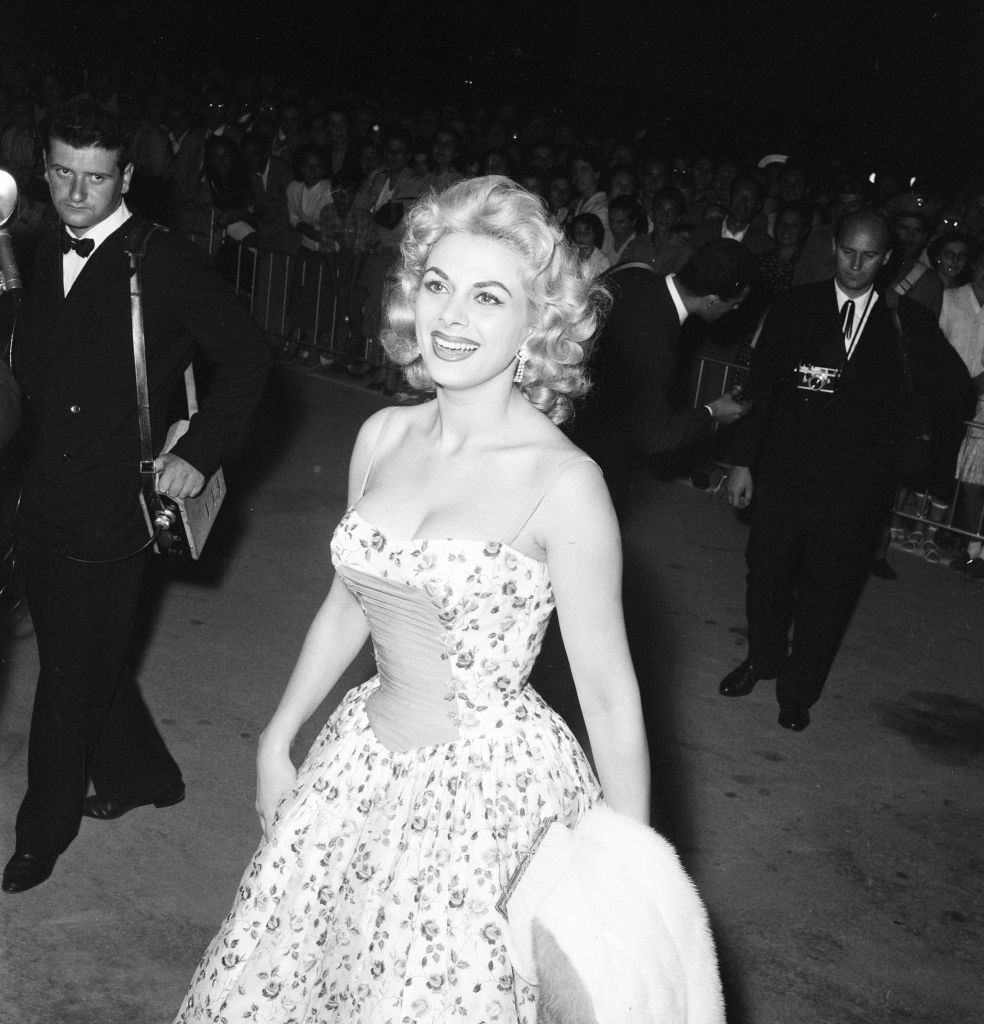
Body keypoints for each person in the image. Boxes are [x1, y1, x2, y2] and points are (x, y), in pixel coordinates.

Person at [173, 176, 651, 1023]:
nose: (452, 317)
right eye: (437, 285)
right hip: (363, 761)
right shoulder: (382, 435)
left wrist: (630, 878)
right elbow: (345, 605)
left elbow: (610, 698)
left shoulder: (565, 484)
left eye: (487, 296)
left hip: (486, 801)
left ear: (537, 325)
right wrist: (278, 737)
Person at [1, 100, 272, 894]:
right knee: (80, 653)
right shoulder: (30, 244)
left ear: (126, 177)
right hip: (34, 490)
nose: (76, 193)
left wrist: (196, 451)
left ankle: (40, 831)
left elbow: (251, 358)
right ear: (43, 168)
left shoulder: (162, 259)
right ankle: (143, 774)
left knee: (64, 680)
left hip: (113, 505)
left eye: (95, 178)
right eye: (61, 174)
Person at [721, 210, 968, 732]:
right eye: (847, 252)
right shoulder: (795, 306)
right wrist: (743, 461)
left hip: (856, 489)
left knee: (827, 591)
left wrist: (907, 435)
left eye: (869, 256)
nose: (855, 266)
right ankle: (762, 659)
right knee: (765, 576)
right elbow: (759, 389)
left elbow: (954, 390)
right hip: (785, 474)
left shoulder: (909, 323)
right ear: (833, 247)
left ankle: (798, 691)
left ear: (887, 258)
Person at [572, 238, 756, 515]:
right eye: (735, 303)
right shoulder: (659, 346)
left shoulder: (632, 272)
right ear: (712, 301)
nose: (736, 310)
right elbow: (656, 437)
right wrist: (713, 412)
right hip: (595, 456)